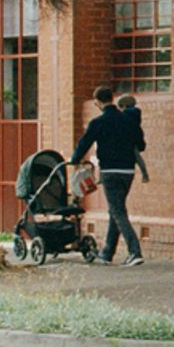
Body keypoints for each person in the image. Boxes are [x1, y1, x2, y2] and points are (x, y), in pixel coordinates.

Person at [71, 84, 146, 265]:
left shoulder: (98, 123)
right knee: (115, 209)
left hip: (109, 172)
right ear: (112, 99)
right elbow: (141, 146)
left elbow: (84, 143)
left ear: (97, 102)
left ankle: (134, 251)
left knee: (118, 211)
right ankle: (107, 253)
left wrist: (75, 159)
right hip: (128, 171)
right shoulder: (128, 120)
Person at [115, 92, 150, 183]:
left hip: (131, 140)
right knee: (136, 157)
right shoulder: (134, 114)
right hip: (133, 140)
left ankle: (145, 174)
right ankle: (144, 174)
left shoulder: (129, 114)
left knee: (136, 156)